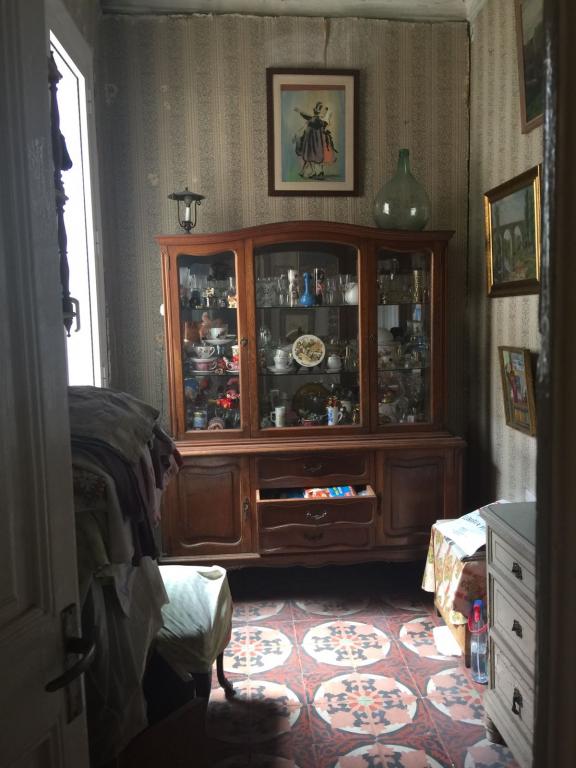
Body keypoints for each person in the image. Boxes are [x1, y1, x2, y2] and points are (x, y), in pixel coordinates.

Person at [293, 102, 337, 178]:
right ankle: (313, 171)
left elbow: (308, 118)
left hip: (314, 142)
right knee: (310, 157)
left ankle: (316, 171)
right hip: (312, 141)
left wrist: (300, 111)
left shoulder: (317, 119)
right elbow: (307, 117)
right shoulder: (317, 119)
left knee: (312, 157)